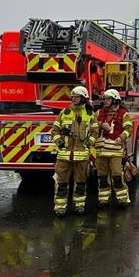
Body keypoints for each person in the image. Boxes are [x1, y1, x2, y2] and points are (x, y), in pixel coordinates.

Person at [50, 86, 97, 216]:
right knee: (61, 183)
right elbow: (54, 130)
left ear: (83, 98)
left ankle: (79, 206)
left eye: (76, 96)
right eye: (72, 97)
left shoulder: (89, 114)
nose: (73, 99)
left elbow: (95, 131)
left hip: (81, 156)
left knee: (81, 183)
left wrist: (90, 142)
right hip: (64, 155)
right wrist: (59, 141)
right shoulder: (64, 112)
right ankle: (60, 208)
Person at [94, 89, 133, 207]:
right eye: (104, 99)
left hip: (115, 151)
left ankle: (123, 200)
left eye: (108, 99)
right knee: (102, 177)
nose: (105, 101)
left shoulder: (123, 114)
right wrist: (100, 125)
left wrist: (121, 137)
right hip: (101, 151)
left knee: (117, 176)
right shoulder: (99, 113)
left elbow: (129, 129)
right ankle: (104, 199)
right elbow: (91, 126)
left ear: (115, 100)